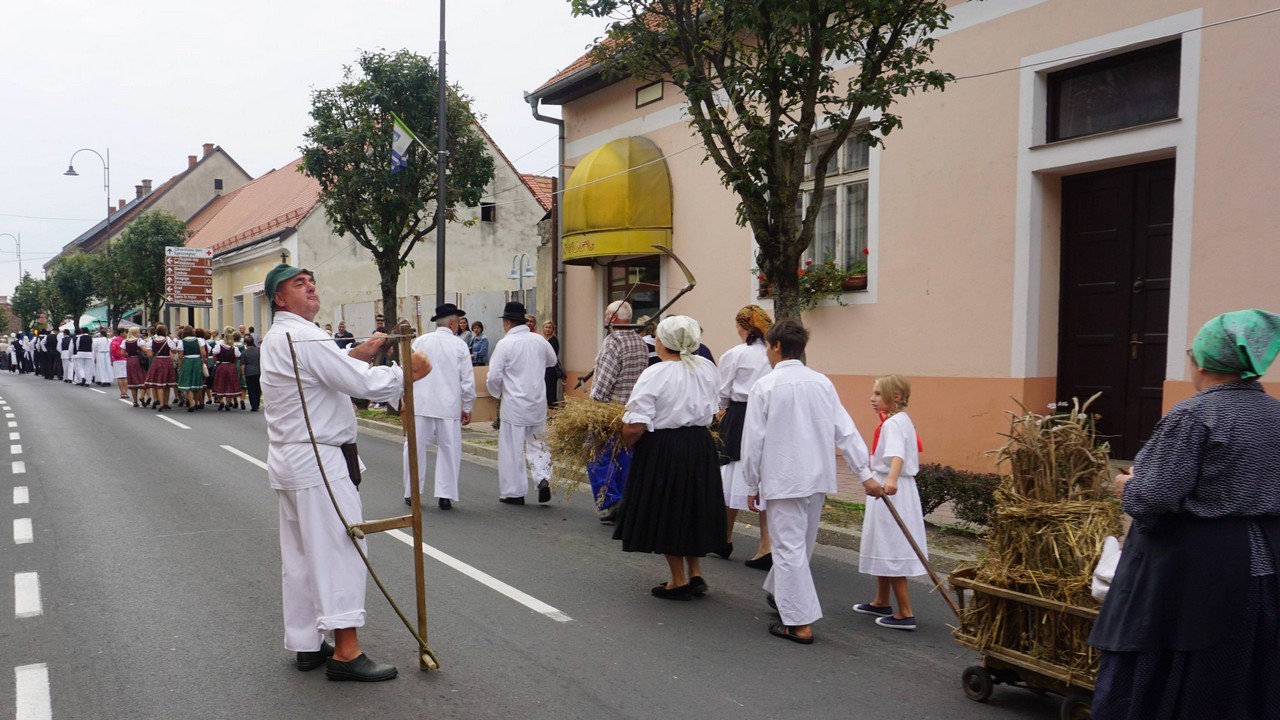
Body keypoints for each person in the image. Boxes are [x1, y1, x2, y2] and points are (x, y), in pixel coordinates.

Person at [1089, 310, 1280, 720]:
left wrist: (1128, 486)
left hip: (1194, 574)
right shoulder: (1275, 415)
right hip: (1263, 567)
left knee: (1179, 677)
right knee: (1243, 673)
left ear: (1204, 362)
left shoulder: (1195, 415)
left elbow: (1153, 498)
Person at [260, 262, 430, 682]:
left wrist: (359, 354)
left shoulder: (278, 336)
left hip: (292, 457)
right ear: (280, 299)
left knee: (300, 557)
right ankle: (346, 652)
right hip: (319, 460)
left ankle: (305, 643)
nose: (311, 288)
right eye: (299, 284)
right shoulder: (305, 334)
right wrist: (406, 373)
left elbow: (323, 373)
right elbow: (366, 386)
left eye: (312, 282)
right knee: (340, 552)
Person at [742, 319, 874, 644]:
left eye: (768, 348)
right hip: (816, 476)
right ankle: (780, 592)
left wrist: (750, 482)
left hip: (783, 477)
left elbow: (753, 441)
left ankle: (798, 623)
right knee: (802, 544)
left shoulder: (766, 386)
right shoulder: (822, 383)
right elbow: (845, 429)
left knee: (787, 548)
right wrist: (865, 474)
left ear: (775, 346)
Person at [614, 316, 727, 600]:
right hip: (699, 444)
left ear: (664, 342)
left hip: (664, 446)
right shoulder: (707, 368)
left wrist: (626, 442)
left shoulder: (657, 373)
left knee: (668, 508)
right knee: (691, 507)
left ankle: (678, 580)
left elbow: (636, 422)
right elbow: (715, 410)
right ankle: (696, 572)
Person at [854, 373, 926, 631]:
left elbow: (896, 455)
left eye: (877, 393)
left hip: (891, 488)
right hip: (890, 485)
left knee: (892, 543)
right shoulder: (900, 420)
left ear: (895, 397)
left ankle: (905, 612)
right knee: (882, 541)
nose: (871, 398)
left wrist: (891, 480)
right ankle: (881, 600)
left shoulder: (893, 424)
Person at [717, 305, 776, 567]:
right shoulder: (773, 353)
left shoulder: (735, 354)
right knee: (763, 474)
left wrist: (721, 408)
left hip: (740, 414)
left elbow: (723, 390)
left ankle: (724, 538)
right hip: (768, 414)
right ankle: (766, 545)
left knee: (732, 472)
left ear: (743, 327)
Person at [402, 303, 475, 511]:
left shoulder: (420, 341)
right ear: (452, 323)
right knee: (448, 449)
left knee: (414, 448)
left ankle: (412, 491)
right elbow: (467, 381)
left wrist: (404, 398)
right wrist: (467, 406)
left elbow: (407, 370)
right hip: (448, 405)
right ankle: (445, 494)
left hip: (421, 402)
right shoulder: (459, 345)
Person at [485, 301, 557, 505]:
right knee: (539, 443)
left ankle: (514, 491)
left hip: (514, 404)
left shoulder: (505, 344)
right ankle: (542, 477)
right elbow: (552, 361)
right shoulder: (539, 340)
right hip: (537, 401)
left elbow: (494, 377)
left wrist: (497, 393)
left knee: (512, 448)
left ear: (507, 322)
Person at [587, 300, 648, 522]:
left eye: (606, 315)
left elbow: (603, 382)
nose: (605, 319)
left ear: (614, 319)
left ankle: (611, 500)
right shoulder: (640, 342)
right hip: (633, 409)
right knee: (625, 456)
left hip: (610, 410)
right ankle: (626, 498)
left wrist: (592, 408)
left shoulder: (612, 342)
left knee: (598, 454)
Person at [143, 324, 178, 411]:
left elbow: (149, 354)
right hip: (167, 361)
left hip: (157, 361)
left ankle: (161, 403)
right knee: (167, 384)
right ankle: (166, 403)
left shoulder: (152, 341)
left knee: (159, 384)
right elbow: (174, 351)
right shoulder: (168, 340)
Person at [176, 326, 207, 412]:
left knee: (189, 383)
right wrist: (203, 362)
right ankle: (196, 402)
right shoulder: (199, 340)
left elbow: (180, 356)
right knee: (196, 382)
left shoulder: (181, 342)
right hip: (197, 361)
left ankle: (191, 403)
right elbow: (203, 353)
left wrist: (179, 367)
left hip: (187, 361)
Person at [212, 329, 242, 411]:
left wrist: (216, 362)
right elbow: (237, 357)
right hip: (231, 366)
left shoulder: (219, 346)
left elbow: (214, 355)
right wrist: (233, 363)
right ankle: (228, 403)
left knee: (220, 382)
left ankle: (221, 401)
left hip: (221, 365)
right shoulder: (234, 348)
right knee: (229, 383)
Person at [123, 328, 148, 407]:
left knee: (133, 381)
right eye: (138, 332)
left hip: (130, 360)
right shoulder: (139, 341)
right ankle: (142, 396)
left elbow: (122, 353)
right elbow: (145, 350)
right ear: (134, 333)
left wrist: (129, 355)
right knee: (142, 378)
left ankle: (135, 402)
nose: (139, 333)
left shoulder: (125, 341)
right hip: (138, 360)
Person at [542, 320, 562, 408]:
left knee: (550, 392)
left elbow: (552, 355)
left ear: (553, 329)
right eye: (546, 327)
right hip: (543, 368)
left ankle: (553, 410)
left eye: (550, 327)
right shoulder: (542, 339)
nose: (548, 329)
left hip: (551, 369)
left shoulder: (553, 340)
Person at [241, 335, 262, 411]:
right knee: (257, 388)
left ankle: (254, 405)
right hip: (258, 371)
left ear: (246, 344)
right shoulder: (259, 350)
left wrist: (243, 373)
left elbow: (243, 365)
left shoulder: (244, 352)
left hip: (249, 372)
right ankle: (257, 402)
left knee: (251, 389)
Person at [110, 328, 128, 399]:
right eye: (125, 333)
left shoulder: (113, 340)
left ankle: (122, 393)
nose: (126, 334)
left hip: (116, 360)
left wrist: (111, 360)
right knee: (125, 376)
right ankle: (126, 392)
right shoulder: (125, 341)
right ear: (121, 333)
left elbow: (111, 350)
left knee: (119, 377)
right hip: (124, 359)